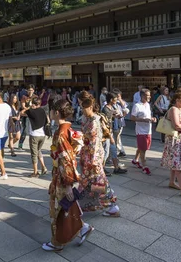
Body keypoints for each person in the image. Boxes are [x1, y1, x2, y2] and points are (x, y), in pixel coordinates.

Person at [42, 99, 93, 252]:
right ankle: (83, 228)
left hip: (63, 176)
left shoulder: (61, 133)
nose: (49, 113)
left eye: (51, 110)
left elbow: (66, 158)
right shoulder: (68, 129)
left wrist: (69, 181)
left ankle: (58, 241)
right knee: (67, 205)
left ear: (56, 112)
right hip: (63, 173)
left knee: (61, 208)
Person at [78, 96, 120, 216]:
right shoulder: (91, 119)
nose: (82, 110)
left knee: (98, 183)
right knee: (92, 183)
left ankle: (111, 206)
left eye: (84, 108)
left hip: (92, 156)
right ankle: (84, 205)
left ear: (90, 107)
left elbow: (95, 142)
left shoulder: (94, 121)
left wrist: (93, 160)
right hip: (90, 155)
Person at [20, 96, 49, 177]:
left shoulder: (31, 111)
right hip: (42, 135)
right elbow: (47, 120)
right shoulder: (43, 111)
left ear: (33, 103)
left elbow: (21, 113)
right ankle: (43, 167)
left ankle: (35, 172)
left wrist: (28, 107)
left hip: (34, 135)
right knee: (39, 151)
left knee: (34, 154)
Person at [130, 88, 156, 175]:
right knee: (143, 149)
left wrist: (152, 119)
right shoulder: (137, 105)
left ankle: (135, 160)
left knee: (142, 147)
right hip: (141, 130)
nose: (149, 97)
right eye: (147, 95)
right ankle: (145, 166)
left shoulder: (148, 105)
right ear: (142, 96)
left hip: (148, 130)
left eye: (149, 95)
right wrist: (143, 120)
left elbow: (148, 116)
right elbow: (132, 118)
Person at [101, 92, 127, 174]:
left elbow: (112, 117)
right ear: (111, 99)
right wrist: (110, 137)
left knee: (113, 150)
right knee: (106, 152)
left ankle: (116, 168)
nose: (116, 100)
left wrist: (119, 115)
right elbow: (105, 124)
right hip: (106, 133)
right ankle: (102, 169)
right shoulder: (105, 109)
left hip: (110, 132)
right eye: (115, 99)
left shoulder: (110, 107)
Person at [18, 85, 35, 150]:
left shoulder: (35, 97)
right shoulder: (24, 97)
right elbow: (23, 106)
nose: (30, 91)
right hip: (26, 116)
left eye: (31, 90)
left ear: (33, 90)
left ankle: (33, 146)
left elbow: (37, 106)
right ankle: (20, 144)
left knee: (33, 131)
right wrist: (30, 107)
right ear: (27, 91)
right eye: (29, 90)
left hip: (33, 116)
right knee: (25, 130)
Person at [113, 89, 129, 157]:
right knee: (116, 138)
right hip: (114, 122)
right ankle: (120, 151)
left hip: (120, 122)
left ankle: (120, 151)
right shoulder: (109, 102)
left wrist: (120, 99)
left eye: (120, 96)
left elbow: (125, 106)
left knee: (117, 137)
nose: (119, 97)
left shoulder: (120, 102)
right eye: (117, 96)